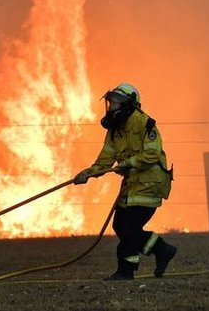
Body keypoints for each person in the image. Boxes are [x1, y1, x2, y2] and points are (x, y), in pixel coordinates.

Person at [73, 83, 177, 280]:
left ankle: (126, 270)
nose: (112, 106)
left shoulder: (144, 123)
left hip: (149, 184)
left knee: (129, 228)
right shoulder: (114, 130)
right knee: (120, 226)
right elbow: (105, 161)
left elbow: (152, 154)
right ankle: (161, 249)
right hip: (132, 186)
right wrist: (87, 173)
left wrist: (128, 163)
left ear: (129, 105)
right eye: (111, 102)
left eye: (116, 102)